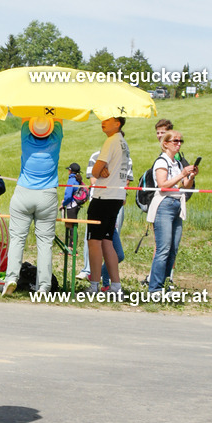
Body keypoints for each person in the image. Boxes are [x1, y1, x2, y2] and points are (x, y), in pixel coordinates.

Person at [1, 116, 63, 296]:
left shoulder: (25, 138)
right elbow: (58, 119)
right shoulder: (56, 139)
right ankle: (43, 286)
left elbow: (25, 118)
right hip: (47, 195)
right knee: (44, 242)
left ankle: (11, 278)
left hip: (23, 193)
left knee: (17, 239)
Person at [147, 130, 198, 295]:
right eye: (175, 141)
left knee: (173, 248)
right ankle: (154, 288)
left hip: (177, 204)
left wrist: (189, 176)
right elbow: (162, 184)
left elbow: (185, 185)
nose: (179, 144)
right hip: (165, 205)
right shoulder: (161, 162)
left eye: (181, 141)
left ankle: (164, 283)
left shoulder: (177, 163)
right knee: (163, 248)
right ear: (166, 143)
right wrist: (182, 174)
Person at [87, 117, 130, 296]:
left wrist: (100, 169)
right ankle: (116, 286)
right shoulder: (123, 142)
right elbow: (100, 169)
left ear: (117, 123)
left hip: (103, 197)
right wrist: (101, 168)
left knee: (94, 241)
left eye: (108, 119)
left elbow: (95, 172)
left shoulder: (111, 140)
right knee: (107, 241)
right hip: (117, 197)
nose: (103, 122)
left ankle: (94, 285)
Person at [60, 162, 85, 250]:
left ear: (70, 171)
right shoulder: (78, 179)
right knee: (73, 226)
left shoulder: (71, 180)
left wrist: (63, 204)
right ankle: (71, 247)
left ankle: (71, 248)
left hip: (71, 205)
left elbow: (68, 196)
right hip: (76, 205)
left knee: (71, 227)